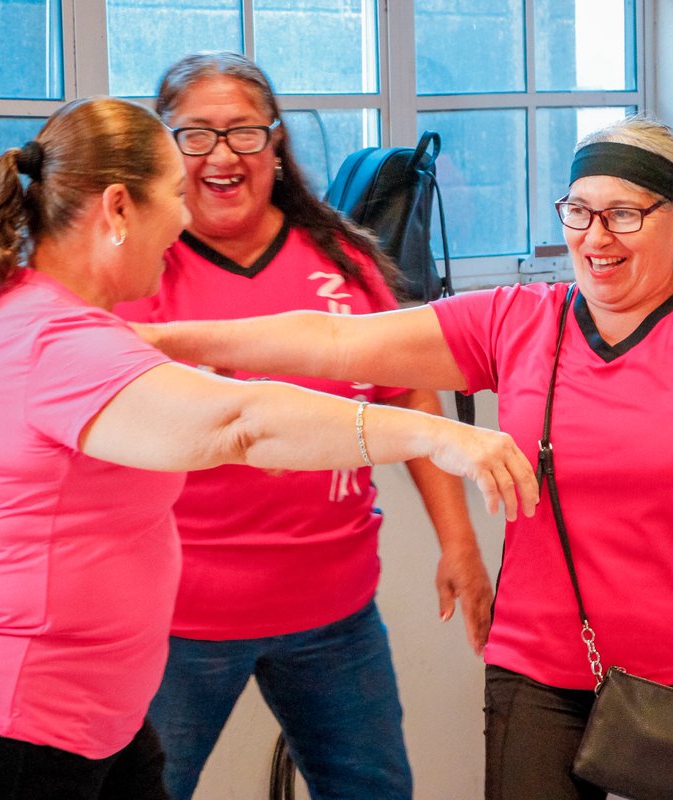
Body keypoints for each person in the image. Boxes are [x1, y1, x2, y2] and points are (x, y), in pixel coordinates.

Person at [134, 114, 673, 800]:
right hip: (538, 669)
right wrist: (168, 341)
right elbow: (336, 341)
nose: (595, 237)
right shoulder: (517, 321)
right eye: (578, 211)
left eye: (624, 214)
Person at [0, 96, 537, 800]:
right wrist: (440, 434)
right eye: (173, 194)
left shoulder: (44, 319)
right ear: (119, 208)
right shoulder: (53, 340)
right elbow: (238, 423)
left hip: (101, 720)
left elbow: (221, 406)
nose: (185, 217)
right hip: (19, 726)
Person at [111, 51, 491, 800]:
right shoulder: (138, 270)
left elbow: (410, 395)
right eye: (196, 135)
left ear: (276, 145)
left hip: (334, 614)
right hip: (179, 619)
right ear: (164, 147)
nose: (222, 155)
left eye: (244, 133)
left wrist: (460, 542)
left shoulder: (342, 261)